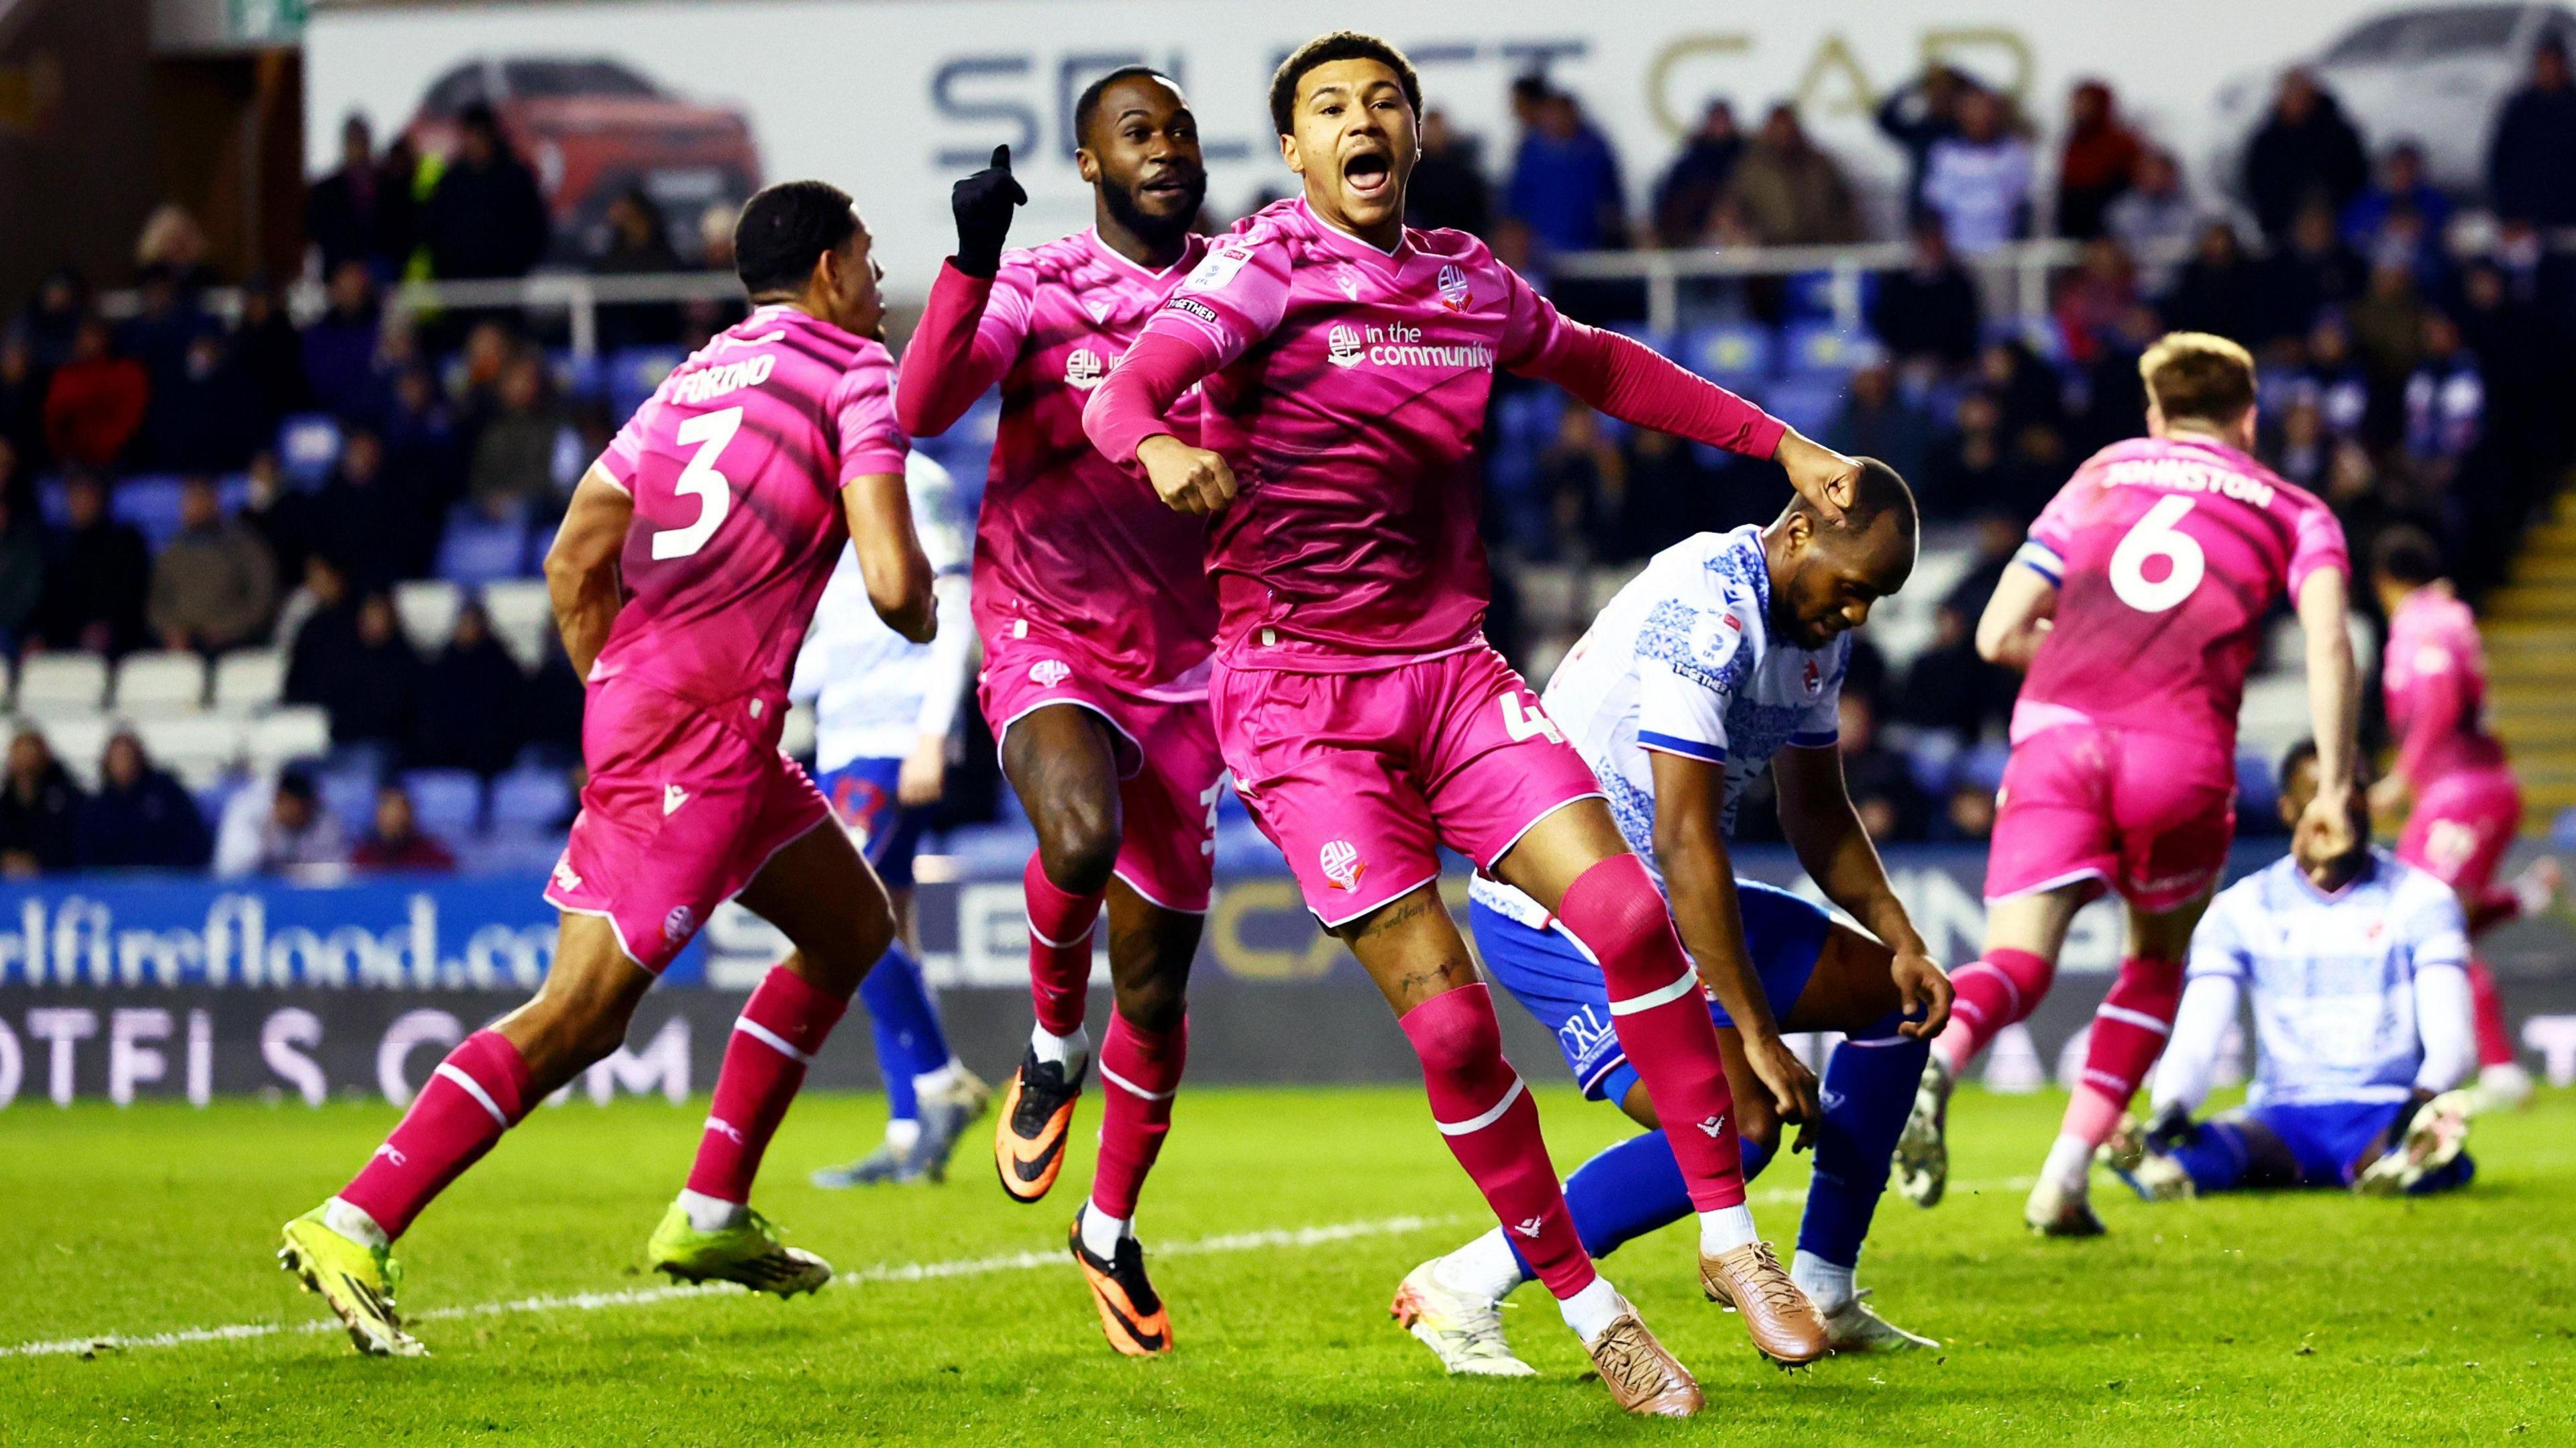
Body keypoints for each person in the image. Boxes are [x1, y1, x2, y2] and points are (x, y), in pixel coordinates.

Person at [1082, 32, 1866, 1412]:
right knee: (1451, 1031)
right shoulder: (1261, 267)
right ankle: (1584, 1298)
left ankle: (1737, 1248)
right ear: (1297, 151)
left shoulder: (1466, 281)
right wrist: (1156, 444)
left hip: (1447, 672)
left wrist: (1776, 443)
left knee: (1629, 914)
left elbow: (1609, 366)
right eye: (1330, 107)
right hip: (1298, 701)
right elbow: (1127, 388)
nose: (1361, 120)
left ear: (1418, 135)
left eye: (1385, 100)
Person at [276, 178, 937, 1358]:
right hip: (701, 735)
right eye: (871, 257)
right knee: (581, 1013)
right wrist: (925, 606)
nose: (881, 283)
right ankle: (355, 1216)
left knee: (851, 926)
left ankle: (712, 1210)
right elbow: (893, 584)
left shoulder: (689, 381)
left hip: (680, 718)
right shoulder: (852, 372)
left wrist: (620, 690)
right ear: (831, 268)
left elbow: (574, 553)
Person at [1392, 469, 1949, 1380]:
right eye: (1854, 588)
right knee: (1741, 1120)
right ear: (1799, 531)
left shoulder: (1813, 629)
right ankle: (1468, 1280)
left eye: (1876, 599)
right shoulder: (1705, 608)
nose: (1858, 614)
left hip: (1673, 901)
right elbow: (1688, 836)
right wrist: (1762, 1035)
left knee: (1898, 995)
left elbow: (1817, 814)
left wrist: (1904, 935)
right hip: (1560, 909)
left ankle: (1827, 1285)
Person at [893, 67, 1224, 1357]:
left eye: (1179, 129)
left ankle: (1109, 1225)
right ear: (1090, 165)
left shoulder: (1242, 281)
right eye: (1137, 133)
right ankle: (1045, 1040)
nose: (1166, 147)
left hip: (1200, 666)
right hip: (1048, 626)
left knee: (1155, 987)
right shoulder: (1035, 285)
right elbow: (923, 407)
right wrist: (968, 263)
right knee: (1076, 838)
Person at [1896, 331, 2361, 1235]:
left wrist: (2079, 666)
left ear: (2156, 414)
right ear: (2250, 417)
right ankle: (2062, 1180)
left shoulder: (2104, 469)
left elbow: (1996, 634)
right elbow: (2329, 646)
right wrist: (2337, 782)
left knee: (2016, 962)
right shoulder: (2298, 510)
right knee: (2153, 964)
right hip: (2178, 754)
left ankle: (1945, 1052)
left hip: (2058, 736)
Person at [2102, 742, 2479, 1201]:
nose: (2339, 804)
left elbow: (2453, 1039)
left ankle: (2408, 1156)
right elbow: (2198, 1034)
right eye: (2319, 789)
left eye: (2352, 787)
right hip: (2284, 1116)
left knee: (2410, 1153)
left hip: (2383, 1107)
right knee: (2218, 1149)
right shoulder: (2241, 907)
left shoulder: (2423, 900)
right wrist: (2173, 1106)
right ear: (2288, 809)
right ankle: (2154, 1162)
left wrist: (2422, 1099)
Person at [794, 451, 990, 1189]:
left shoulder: (918, 479)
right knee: (887, 932)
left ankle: (940, 1082)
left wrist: (935, 730)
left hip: (896, 735)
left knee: (848, 916)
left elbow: (957, 597)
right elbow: (843, 632)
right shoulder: (830, 486)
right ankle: (910, 1130)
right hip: (842, 732)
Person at [2369, 527, 2559, 1110]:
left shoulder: (2422, 625)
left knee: (2427, 917)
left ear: (2384, 582)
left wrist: (2402, 775)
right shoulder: (2450, 616)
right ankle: (2521, 899)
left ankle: (2499, 1068)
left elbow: (2439, 700)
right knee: (2430, 915)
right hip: (2474, 791)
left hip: (2461, 793)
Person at [420, 103, 551, 281]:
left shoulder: (516, 178)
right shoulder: (451, 181)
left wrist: (516, 266)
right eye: (467, 135)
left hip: (505, 286)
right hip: (459, 287)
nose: (471, 142)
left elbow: (534, 228)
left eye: (476, 135)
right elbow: (433, 228)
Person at [150, 476, 278, 654]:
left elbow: (263, 596)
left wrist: (232, 629)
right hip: (181, 647)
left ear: (215, 502)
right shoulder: (171, 552)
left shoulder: (245, 545)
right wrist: (171, 630)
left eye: (201, 499)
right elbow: (157, 602)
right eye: (190, 500)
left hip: (236, 646)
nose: (194, 506)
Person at [2241, 68, 2368, 245]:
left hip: (2340, 232)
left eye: (2302, 92)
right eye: (2291, 92)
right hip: (2283, 236)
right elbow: (2255, 186)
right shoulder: (2265, 142)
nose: (2298, 99)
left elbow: (2358, 178)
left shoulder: (2340, 134)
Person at [36, 471, 152, 655]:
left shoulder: (126, 542)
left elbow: (133, 595)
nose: (78, 502)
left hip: (121, 642)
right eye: (74, 495)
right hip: (64, 641)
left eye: (85, 494)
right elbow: (51, 602)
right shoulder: (59, 547)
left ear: (101, 497)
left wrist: (109, 628)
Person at [75, 729, 211, 870]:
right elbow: (88, 856)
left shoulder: (166, 793)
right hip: (114, 886)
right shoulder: (97, 808)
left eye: (127, 756)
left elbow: (192, 839)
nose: (123, 763)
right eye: (117, 757)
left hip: (167, 881)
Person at [1919, 89, 2033, 255]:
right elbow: (1934, 204)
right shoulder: (1945, 154)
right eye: (1971, 109)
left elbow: (2021, 203)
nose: (1978, 117)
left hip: (2003, 250)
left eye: (1983, 110)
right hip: (1956, 252)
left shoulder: (2013, 153)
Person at [2486, 36, 2576, 231]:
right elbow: (2500, 161)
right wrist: (2508, 212)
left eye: (2554, 63)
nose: (2549, 70)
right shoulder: (2520, 109)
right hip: (2526, 219)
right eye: (2544, 63)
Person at [213, 767, 347, 879]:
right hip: (253, 889)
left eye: (308, 808)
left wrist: (292, 871)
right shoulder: (248, 809)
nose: (302, 815)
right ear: (280, 799)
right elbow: (230, 869)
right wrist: (266, 839)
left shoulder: (323, 816)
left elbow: (337, 873)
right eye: (297, 808)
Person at [2055, 80, 2141, 241]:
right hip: (2073, 230)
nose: (2078, 109)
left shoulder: (2122, 144)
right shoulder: (2071, 144)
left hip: (2111, 229)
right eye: (2076, 103)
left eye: (2085, 103)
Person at [1651, 99, 1743, 246]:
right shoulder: (1688, 166)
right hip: (1695, 242)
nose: (1720, 127)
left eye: (1723, 121)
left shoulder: (1748, 162)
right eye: (1716, 121)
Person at [0, 728, 83, 876]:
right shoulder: (5, 804)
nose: (24, 762)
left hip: (57, 882)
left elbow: (74, 844)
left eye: (29, 754)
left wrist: (39, 862)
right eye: (19, 755)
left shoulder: (66, 801)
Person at [349, 784, 458, 873]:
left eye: (399, 811)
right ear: (378, 815)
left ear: (410, 815)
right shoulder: (362, 858)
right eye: (387, 810)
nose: (394, 818)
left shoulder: (433, 858)